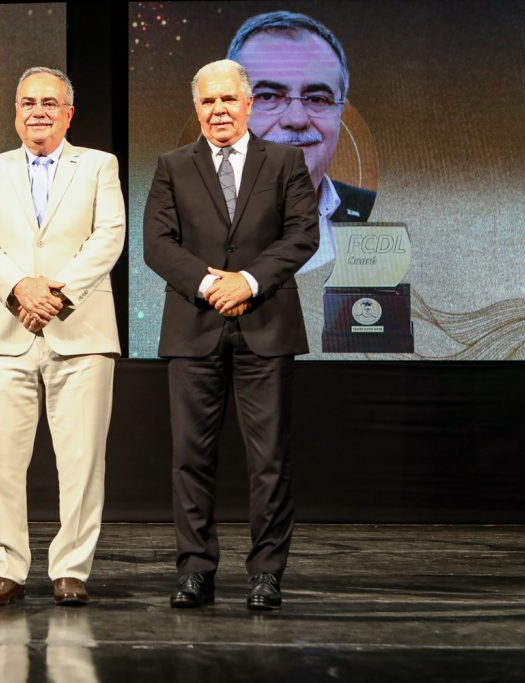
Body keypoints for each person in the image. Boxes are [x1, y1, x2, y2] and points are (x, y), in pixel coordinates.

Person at [143, 59, 318, 610]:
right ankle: (195, 571)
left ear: (248, 104)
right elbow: (157, 243)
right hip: (193, 329)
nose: (218, 110)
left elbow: (302, 235)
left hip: (267, 326)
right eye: (207, 101)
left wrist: (248, 281)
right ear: (197, 109)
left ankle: (266, 573)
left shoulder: (285, 162)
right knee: (190, 458)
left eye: (227, 99)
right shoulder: (172, 166)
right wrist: (209, 285)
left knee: (269, 461)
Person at [0, 66, 125, 607]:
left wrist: (56, 294)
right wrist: (20, 288)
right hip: (7, 329)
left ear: (68, 113)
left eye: (50, 103)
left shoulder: (99, 165)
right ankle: (3, 568)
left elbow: (109, 236)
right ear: (16, 113)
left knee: (82, 460)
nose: (38, 111)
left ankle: (71, 569)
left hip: (81, 330)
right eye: (28, 103)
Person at [228, 10, 372, 273]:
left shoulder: (374, 216)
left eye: (317, 99)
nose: (296, 119)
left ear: (340, 112)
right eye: (268, 96)